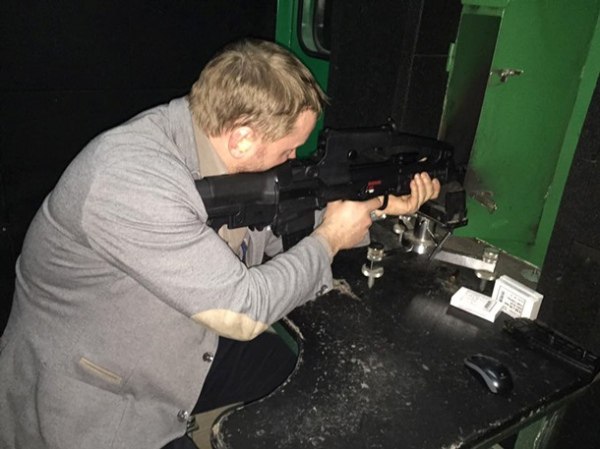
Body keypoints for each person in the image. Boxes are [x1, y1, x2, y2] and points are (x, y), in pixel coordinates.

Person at [0, 39, 439, 449]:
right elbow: (241, 313)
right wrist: (331, 238)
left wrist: (378, 206)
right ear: (242, 137)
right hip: (97, 395)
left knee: (303, 372)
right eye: (288, 150)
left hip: (182, 339)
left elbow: (275, 227)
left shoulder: (208, 142)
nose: (293, 160)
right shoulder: (129, 179)